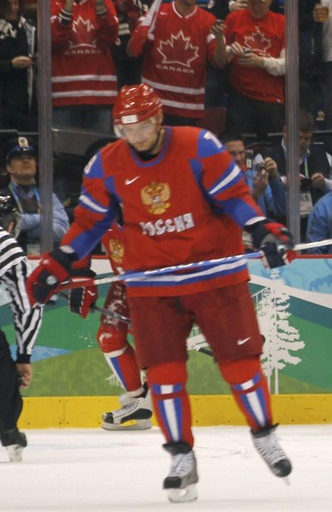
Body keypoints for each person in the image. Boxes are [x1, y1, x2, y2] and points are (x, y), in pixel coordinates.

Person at [26, 84, 294, 501]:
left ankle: (263, 434)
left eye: (144, 125)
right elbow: (89, 224)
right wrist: (59, 261)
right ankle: (181, 456)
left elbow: (235, 197)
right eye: (127, 128)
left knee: (240, 365)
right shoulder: (105, 165)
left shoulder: (200, 145)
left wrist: (262, 230)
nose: (136, 136)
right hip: (151, 283)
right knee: (165, 375)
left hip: (214, 275)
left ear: (159, 120)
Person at [68, 225, 153, 430]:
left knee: (150, 340)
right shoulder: (105, 199)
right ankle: (137, 400)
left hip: (157, 282)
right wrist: (81, 272)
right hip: (125, 282)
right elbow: (85, 227)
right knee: (109, 336)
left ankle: (150, 401)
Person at [127, 0, 219, 126]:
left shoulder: (208, 21)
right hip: (153, 105)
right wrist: (140, 33)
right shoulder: (157, 15)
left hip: (188, 107)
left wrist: (221, 40)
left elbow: (220, 62)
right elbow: (132, 51)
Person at [51, 0, 119, 133]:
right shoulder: (52, 4)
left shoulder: (103, 2)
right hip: (64, 94)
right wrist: (70, 1)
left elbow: (110, 35)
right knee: (65, 156)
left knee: (98, 151)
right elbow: (55, 38)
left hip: (100, 93)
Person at [216, 0, 287, 140]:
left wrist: (261, 62)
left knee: (272, 148)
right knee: (239, 146)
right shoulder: (233, 19)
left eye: (259, 1)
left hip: (271, 99)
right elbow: (220, 60)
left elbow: (288, 64)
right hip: (241, 97)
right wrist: (229, 50)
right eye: (251, 1)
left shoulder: (283, 23)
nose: (254, 6)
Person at [0, 195, 40, 462]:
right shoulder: (7, 245)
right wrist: (24, 356)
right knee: (3, 375)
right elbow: (25, 307)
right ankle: (9, 433)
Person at [268, 110, 332, 229]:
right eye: (299, 137)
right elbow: (262, 194)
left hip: (314, 222)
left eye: (307, 139)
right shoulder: (267, 156)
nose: (303, 142)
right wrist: (282, 182)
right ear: (285, 131)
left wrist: (323, 183)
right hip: (280, 223)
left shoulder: (322, 155)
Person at [5, 137, 68, 252]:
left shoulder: (48, 195)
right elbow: (7, 227)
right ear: (9, 167)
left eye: (30, 158)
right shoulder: (2, 196)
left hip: (44, 258)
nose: (26, 161)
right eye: (19, 158)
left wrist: (25, 230)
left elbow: (62, 230)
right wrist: (44, 218)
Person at [0, 0, 36, 131]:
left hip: (25, 101)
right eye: (9, 4)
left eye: (16, 3)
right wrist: (11, 64)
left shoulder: (28, 28)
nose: (14, 8)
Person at [220, 130, 281, 217]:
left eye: (241, 153)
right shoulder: (215, 184)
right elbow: (232, 219)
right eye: (232, 154)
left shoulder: (254, 177)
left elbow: (280, 210)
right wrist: (255, 194)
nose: (238, 158)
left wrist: (275, 178)